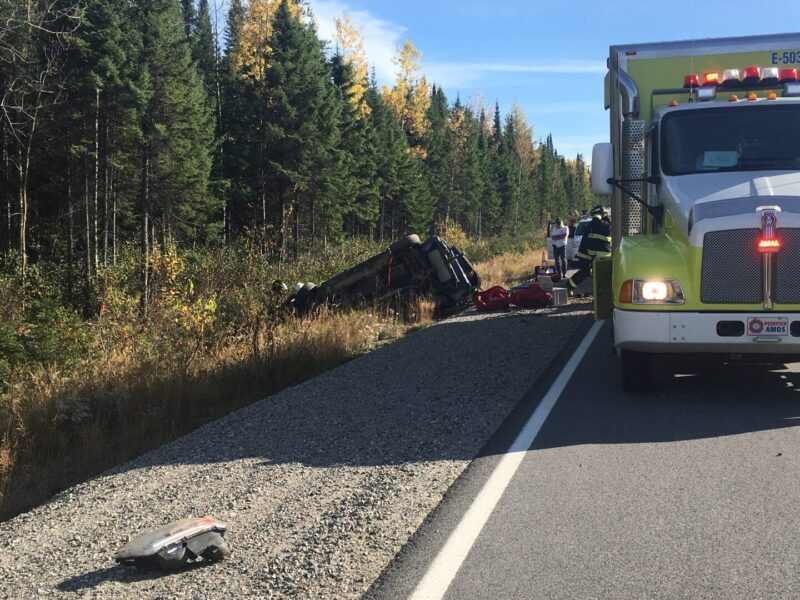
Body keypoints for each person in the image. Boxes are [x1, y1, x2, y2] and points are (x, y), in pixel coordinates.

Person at [568, 204, 612, 296]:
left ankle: (569, 287)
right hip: (593, 254)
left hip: (590, 253)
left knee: (587, 273)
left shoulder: (591, 224)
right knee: (588, 273)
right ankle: (569, 287)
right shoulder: (603, 225)